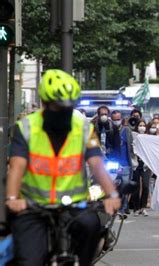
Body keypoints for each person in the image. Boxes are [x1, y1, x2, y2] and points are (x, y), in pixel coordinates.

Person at [6, 69, 120, 265]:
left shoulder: (83, 127)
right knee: (29, 259)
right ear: (45, 102)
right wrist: (13, 198)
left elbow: (96, 164)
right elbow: (16, 166)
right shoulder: (25, 127)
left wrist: (112, 194)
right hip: (34, 206)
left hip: (73, 205)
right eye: (58, 105)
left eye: (68, 105)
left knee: (92, 226)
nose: (63, 110)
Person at [110, 110, 135, 214]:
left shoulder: (127, 131)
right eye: (114, 119)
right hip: (113, 164)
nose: (117, 121)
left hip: (125, 163)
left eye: (118, 119)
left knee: (124, 187)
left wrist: (134, 159)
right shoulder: (109, 131)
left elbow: (132, 145)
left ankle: (123, 208)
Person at [131, 119, 150, 217]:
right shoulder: (133, 136)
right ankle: (136, 208)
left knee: (146, 185)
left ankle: (143, 207)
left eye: (143, 125)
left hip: (146, 165)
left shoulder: (149, 138)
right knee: (136, 186)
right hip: (136, 163)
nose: (142, 127)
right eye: (140, 125)